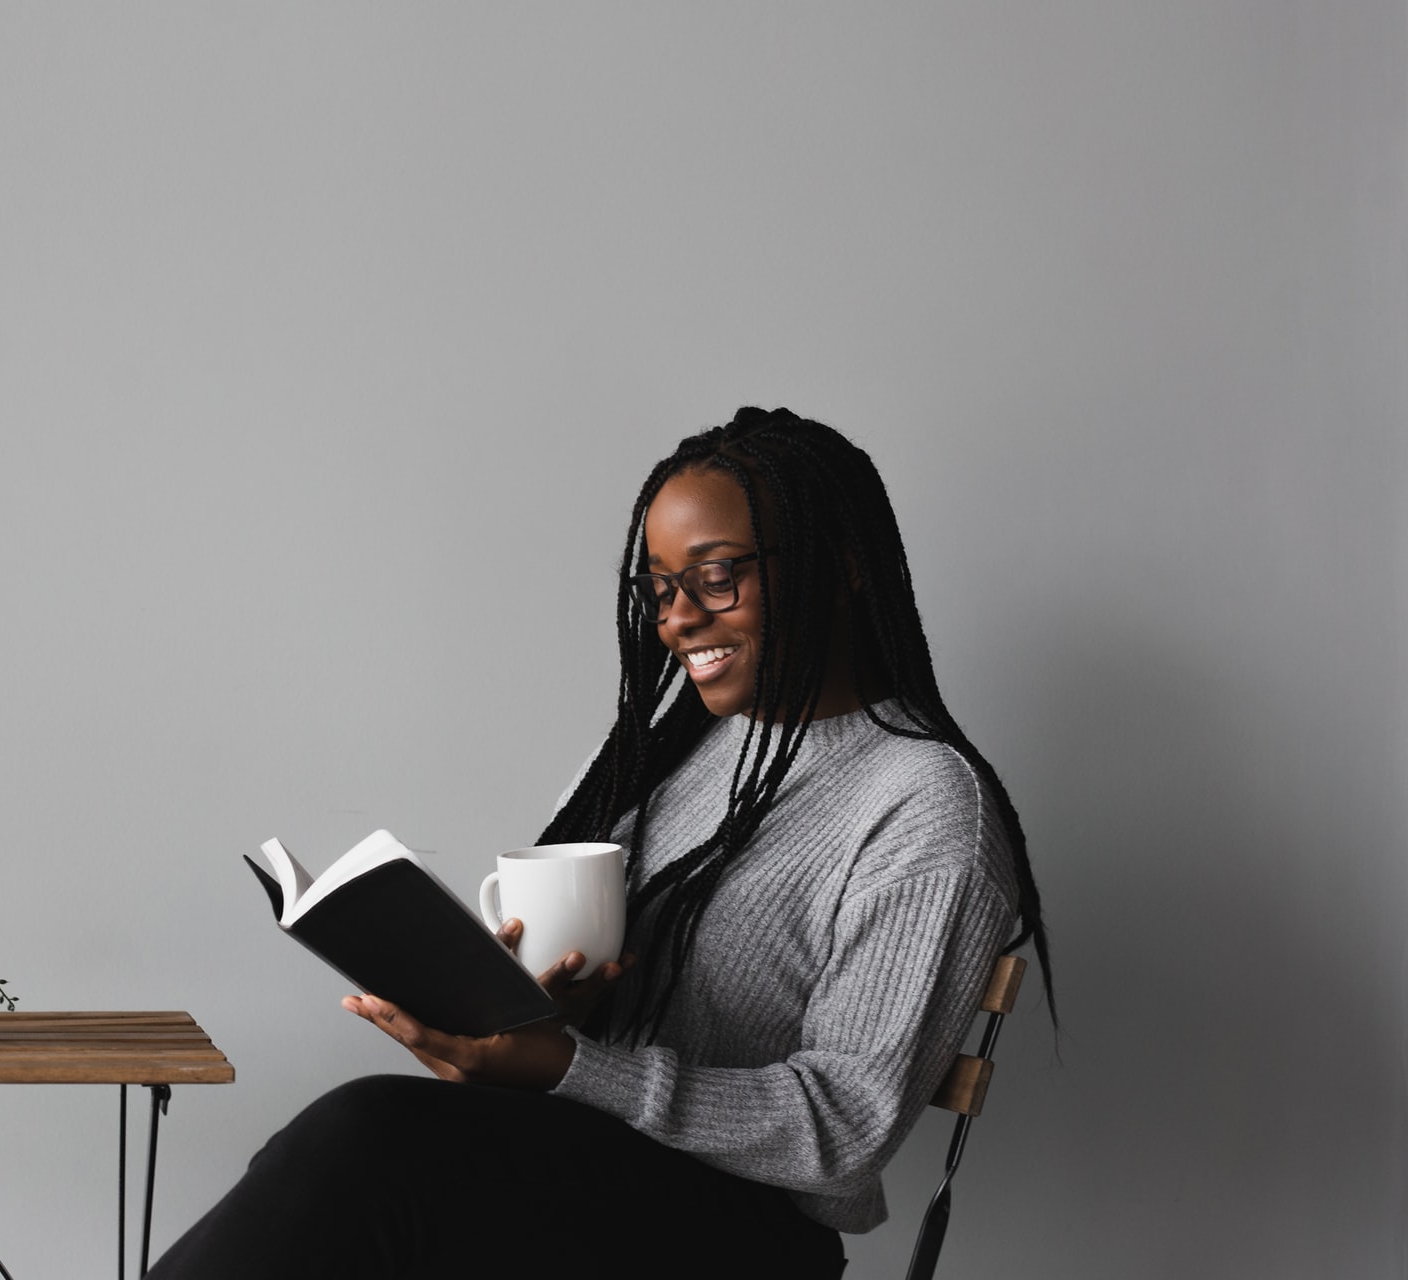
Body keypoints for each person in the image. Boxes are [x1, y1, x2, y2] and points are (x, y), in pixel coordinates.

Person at [147, 407, 1054, 1279]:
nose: (676, 618)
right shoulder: (662, 755)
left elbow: (845, 1128)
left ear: (843, 565)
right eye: (659, 588)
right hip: (592, 1176)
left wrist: (576, 1068)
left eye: (715, 575)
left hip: (743, 1236)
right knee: (332, 1173)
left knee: (364, 1145)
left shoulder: (926, 804)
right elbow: (607, 1025)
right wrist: (524, 1027)